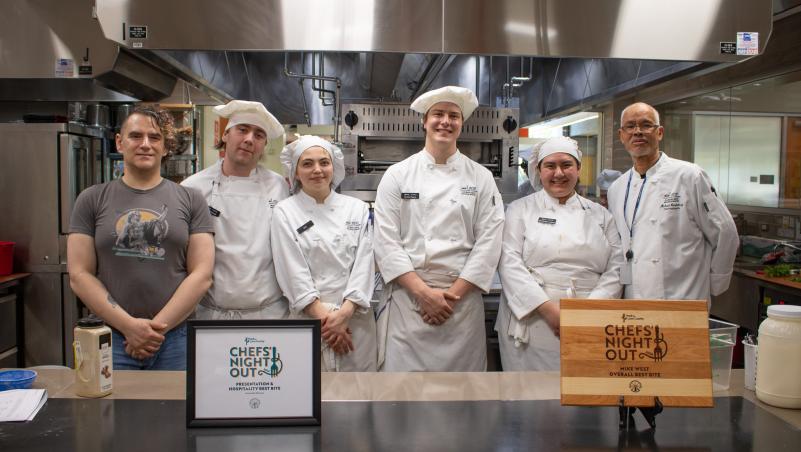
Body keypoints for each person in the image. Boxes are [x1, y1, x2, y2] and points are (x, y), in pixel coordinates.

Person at [68, 106, 215, 370]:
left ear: (166, 147)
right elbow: (80, 274)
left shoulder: (191, 199)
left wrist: (153, 332)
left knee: (174, 411)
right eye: (136, 136)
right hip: (111, 337)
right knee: (109, 411)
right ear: (119, 142)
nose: (145, 144)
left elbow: (202, 274)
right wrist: (129, 327)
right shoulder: (91, 199)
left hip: (175, 339)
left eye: (155, 137)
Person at [374, 86, 505, 372]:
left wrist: (450, 297)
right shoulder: (398, 175)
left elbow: (489, 243)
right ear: (425, 121)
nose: (445, 121)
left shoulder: (480, 177)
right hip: (410, 302)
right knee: (403, 395)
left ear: (461, 124)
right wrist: (424, 295)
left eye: (453, 116)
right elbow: (386, 242)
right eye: (438, 114)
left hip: (460, 302)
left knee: (461, 396)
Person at [496, 136, 623, 371]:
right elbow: (508, 262)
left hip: (589, 320)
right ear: (539, 170)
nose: (559, 174)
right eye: (550, 166)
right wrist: (548, 310)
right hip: (533, 318)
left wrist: (586, 312)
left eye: (566, 165)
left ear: (578, 169)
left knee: (583, 396)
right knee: (530, 397)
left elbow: (616, 267)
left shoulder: (600, 215)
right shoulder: (519, 210)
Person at [607, 102, 739, 302]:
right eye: (630, 126)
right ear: (621, 136)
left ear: (659, 132)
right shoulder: (616, 188)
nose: (638, 132)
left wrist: (715, 283)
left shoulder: (690, 176)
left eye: (646, 125)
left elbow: (725, 232)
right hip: (634, 301)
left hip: (683, 298)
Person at [271, 136, 377, 371]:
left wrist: (345, 313)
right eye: (307, 164)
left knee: (358, 395)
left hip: (354, 320)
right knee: (308, 396)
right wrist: (329, 322)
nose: (317, 170)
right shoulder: (285, 212)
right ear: (295, 172)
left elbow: (364, 263)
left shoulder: (356, 208)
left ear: (334, 167)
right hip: (309, 319)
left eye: (324, 163)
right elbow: (292, 270)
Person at [182, 100, 290, 319]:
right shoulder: (193, 188)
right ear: (225, 135)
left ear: (263, 145)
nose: (249, 139)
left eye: (259, 135)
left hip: (269, 314)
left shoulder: (279, 187)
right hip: (210, 314)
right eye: (242, 130)